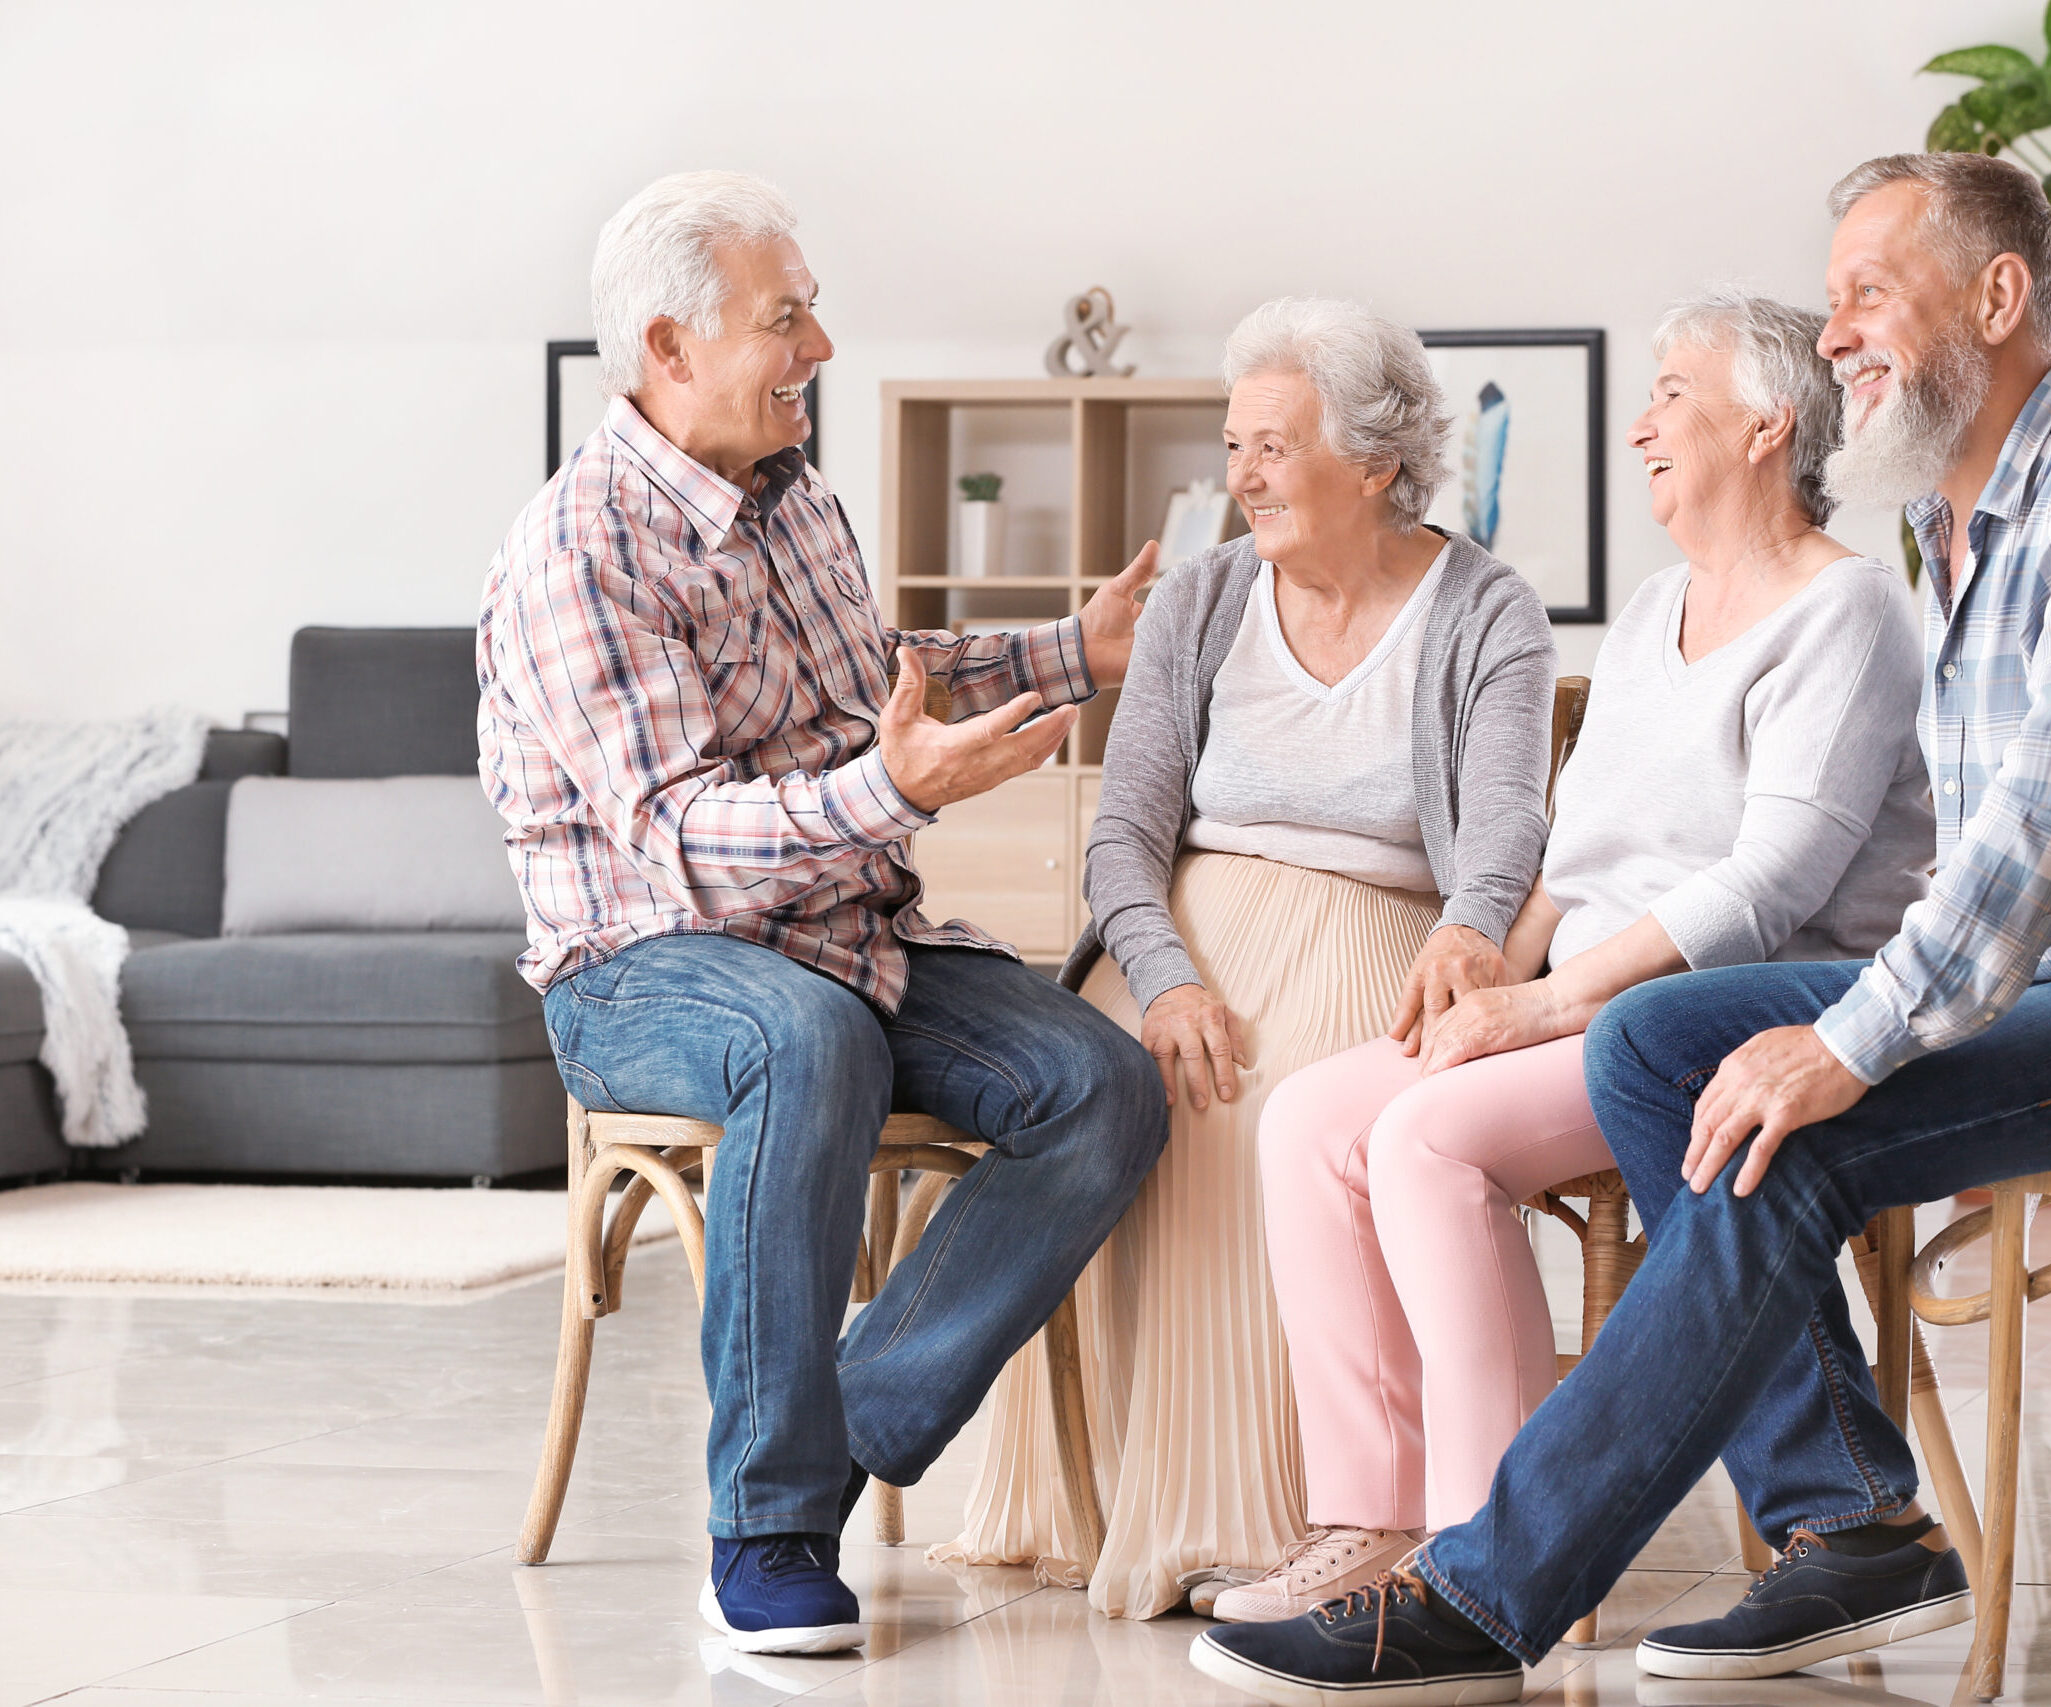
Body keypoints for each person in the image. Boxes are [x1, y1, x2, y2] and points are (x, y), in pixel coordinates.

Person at [1193, 150, 2051, 1704]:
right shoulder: (1951, 528)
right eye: (1829, 307)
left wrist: (1846, 1038)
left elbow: (2046, 835)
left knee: (1777, 1108)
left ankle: (1490, 1587)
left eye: (1868, 293)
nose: (1837, 339)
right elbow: (1977, 864)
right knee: (1666, 1041)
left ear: (1998, 298)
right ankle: (1853, 1525)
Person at [475, 170, 1170, 1658]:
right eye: (786, 319)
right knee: (806, 1045)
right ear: (670, 348)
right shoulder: (578, 554)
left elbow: (883, 686)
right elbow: (677, 844)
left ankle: (845, 1414)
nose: (823, 350)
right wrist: (899, 796)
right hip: (647, 964)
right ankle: (771, 1518)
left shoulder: (795, 500)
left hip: (850, 941)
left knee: (1101, 1083)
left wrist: (1073, 649)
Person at [1220, 289, 1933, 1624]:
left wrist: (1550, 1001)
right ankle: (1365, 1516)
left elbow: (1775, 881)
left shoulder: (1846, 614)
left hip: (1717, 1021)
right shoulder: (1663, 599)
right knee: (1312, 1116)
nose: (1642, 424)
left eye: (1673, 392)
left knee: (1428, 1139)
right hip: (1581, 999)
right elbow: (1575, 840)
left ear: (1768, 425)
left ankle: (1475, 1551)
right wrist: (1497, 961)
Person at [936, 297, 1557, 1619]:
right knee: (1113, 1092)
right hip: (1183, 938)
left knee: (1283, 1112)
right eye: (1236, 446)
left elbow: (1505, 825)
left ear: (1378, 459)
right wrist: (1162, 978)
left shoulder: (1484, 607)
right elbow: (1123, 840)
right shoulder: (1206, 596)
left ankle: (1323, 1514)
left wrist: (1467, 924)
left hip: (1383, 927)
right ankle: (1122, 1502)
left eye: (1273, 446)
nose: (1244, 475)